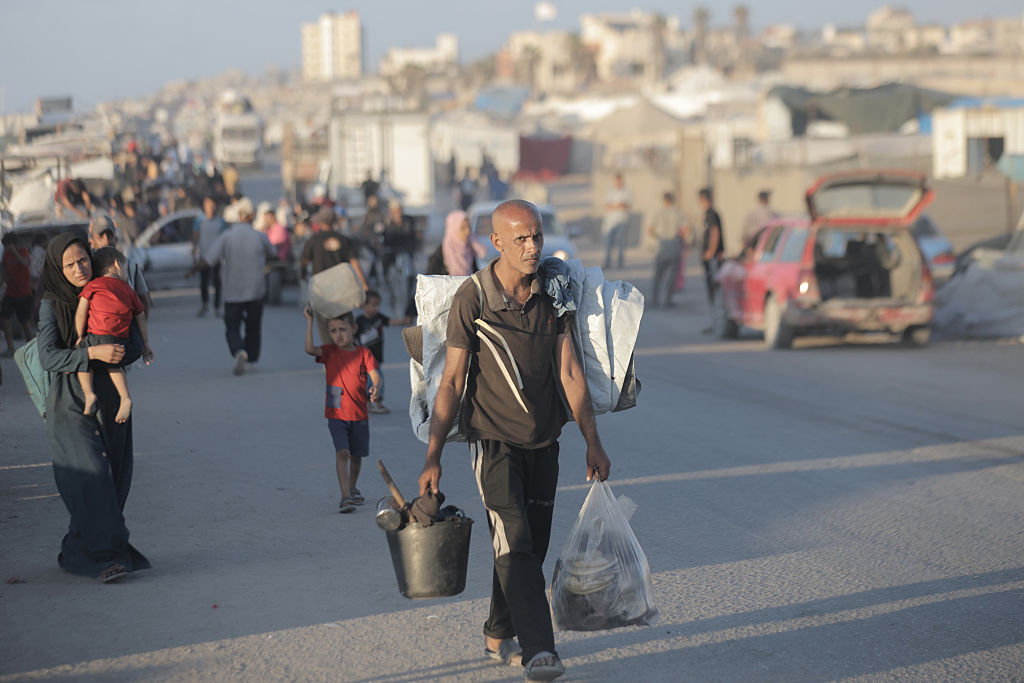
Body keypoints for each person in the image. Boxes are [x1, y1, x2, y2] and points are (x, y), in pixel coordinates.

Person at [417, 199, 611, 682]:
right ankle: (540, 649)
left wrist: (593, 440)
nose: (532, 247)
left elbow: (569, 370)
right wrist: (433, 454)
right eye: (521, 238)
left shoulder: (554, 291)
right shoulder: (474, 298)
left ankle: (497, 631)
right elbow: (453, 381)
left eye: (537, 237)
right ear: (496, 242)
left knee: (529, 547)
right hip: (493, 443)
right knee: (517, 542)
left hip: (545, 442)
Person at [37, 232, 150, 582]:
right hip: (72, 402)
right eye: (68, 264)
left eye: (82, 260)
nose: (78, 269)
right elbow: (48, 355)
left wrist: (114, 346)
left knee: (115, 479)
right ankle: (108, 558)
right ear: (58, 267)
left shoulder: (112, 289)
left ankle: (76, 550)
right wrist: (91, 353)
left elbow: (133, 344)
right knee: (92, 481)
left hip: (112, 401)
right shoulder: (51, 304)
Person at [304, 307, 382, 513]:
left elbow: (376, 375)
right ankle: (345, 496)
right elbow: (310, 349)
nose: (338, 334)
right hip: (336, 413)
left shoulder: (364, 353)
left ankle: (353, 487)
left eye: (342, 329)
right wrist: (310, 321)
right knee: (343, 453)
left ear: (354, 329)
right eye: (334, 331)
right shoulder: (329, 352)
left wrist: (376, 387)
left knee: (357, 455)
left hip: (359, 414)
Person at [74, 247, 154, 422]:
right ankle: (125, 397)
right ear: (117, 265)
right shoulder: (128, 290)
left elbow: (81, 312)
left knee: (84, 362)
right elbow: (140, 316)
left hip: (96, 337)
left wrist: (79, 336)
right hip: (120, 339)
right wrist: (146, 343)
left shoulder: (93, 286)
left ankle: (89, 395)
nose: (126, 273)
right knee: (114, 366)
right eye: (126, 269)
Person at [203, 198, 276, 376]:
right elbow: (273, 253)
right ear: (251, 216)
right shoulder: (260, 236)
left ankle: (238, 350)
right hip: (255, 291)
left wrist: (193, 271)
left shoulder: (226, 237)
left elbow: (209, 259)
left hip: (232, 292)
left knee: (232, 327)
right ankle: (250, 358)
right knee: (253, 327)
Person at [301, 210, 369, 344]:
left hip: (322, 291)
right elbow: (354, 262)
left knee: (325, 327)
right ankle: (347, 357)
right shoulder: (344, 240)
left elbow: (304, 262)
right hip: (343, 290)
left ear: (320, 223)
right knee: (345, 324)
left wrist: (303, 276)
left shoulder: (312, 241)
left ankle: (330, 360)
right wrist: (364, 285)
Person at [355, 289, 410, 415]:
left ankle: (375, 402)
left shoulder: (379, 318)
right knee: (369, 380)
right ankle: (370, 403)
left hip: (377, 358)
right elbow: (352, 337)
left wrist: (404, 320)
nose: (376, 308)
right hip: (364, 359)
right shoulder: (359, 321)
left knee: (379, 381)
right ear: (364, 305)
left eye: (378, 305)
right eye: (373, 305)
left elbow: (391, 322)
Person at [89, 215, 152, 315]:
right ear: (91, 241)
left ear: (116, 239)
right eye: (101, 236)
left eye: (109, 236)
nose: (106, 241)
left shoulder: (130, 267)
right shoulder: (87, 269)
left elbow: (144, 300)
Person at [647, 192, 690, 308]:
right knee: (672, 275)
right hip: (674, 244)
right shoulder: (677, 213)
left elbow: (650, 230)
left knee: (658, 275)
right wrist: (681, 239)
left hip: (662, 244)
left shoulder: (658, 213)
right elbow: (686, 229)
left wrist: (659, 237)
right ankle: (667, 300)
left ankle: (655, 300)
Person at [191, 197, 227, 317]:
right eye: (208, 205)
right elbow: (195, 239)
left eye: (212, 205)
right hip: (203, 257)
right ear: (204, 206)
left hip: (216, 257)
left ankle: (217, 307)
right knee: (203, 283)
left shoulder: (220, 222)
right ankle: (205, 304)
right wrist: (194, 254)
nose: (211, 208)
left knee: (217, 282)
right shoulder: (199, 221)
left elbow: (224, 239)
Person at [1, 233, 36, 355]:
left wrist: (14, 251)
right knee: (4, 318)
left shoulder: (23, 251)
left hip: (24, 293)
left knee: (24, 322)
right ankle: (10, 348)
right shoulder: (6, 254)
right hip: (10, 292)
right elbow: (4, 269)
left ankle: (32, 350)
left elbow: (25, 262)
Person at [427, 210, 486, 276]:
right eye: (463, 228)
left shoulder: (469, 250)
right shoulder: (441, 253)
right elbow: (429, 280)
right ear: (453, 229)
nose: (468, 231)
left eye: (469, 227)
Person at [699, 187, 724, 333]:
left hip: (714, 260)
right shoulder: (708, 214)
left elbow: (715, 234)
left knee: (716, 291)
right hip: (710, 260)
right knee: (711, 291)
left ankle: (718, 323)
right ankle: (714, 323)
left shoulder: (712, 214)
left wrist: (710, 252)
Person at [602, 173, 633, 270]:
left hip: (622, 220)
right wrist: (617, 205)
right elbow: (606, 205)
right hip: (610, 221)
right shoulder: (610, 192)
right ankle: (607, 262)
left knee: (621, 242)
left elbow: (627, 205)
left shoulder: (627, 191)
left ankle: (620, 262)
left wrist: (616, 206)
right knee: (608, 243)